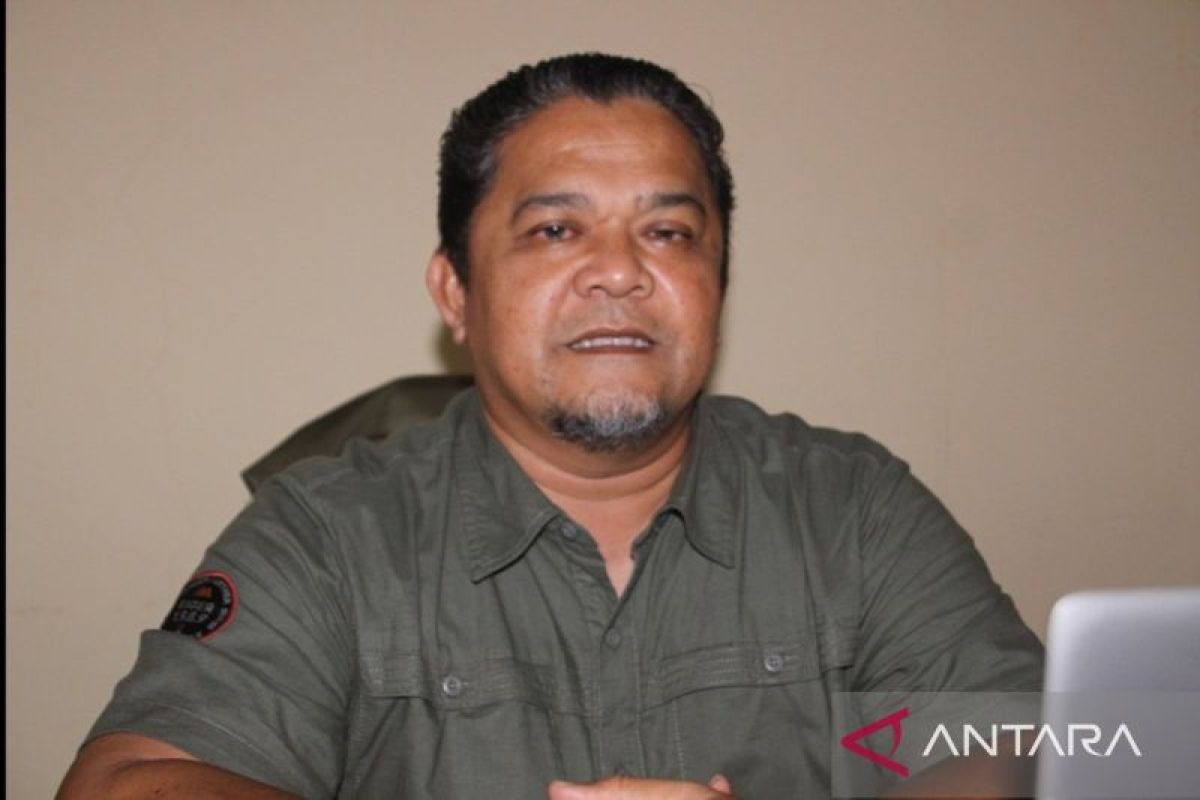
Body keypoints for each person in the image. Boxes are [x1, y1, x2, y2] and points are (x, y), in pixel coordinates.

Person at [58, 53, 1043, 799]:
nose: (620, 270)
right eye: (556, 229)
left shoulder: (852, 506)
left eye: (669, 232)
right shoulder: (328, 532)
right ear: (456, 290)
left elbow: (1035, 746)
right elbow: (129, 781)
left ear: (718, 281)